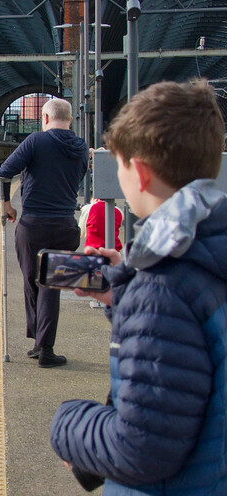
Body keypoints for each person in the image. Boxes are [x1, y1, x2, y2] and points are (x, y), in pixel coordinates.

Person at [50, 80, 227, 493]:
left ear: (140, 173)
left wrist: (68, 424)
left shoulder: (162, 290)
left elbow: (142, 450)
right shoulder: (204, 253)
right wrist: (128, 294)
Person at [0, 98, 88, 368]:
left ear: (45, 119)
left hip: (32, 225)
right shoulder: (81, 148)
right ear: (70, 120)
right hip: (64, 225)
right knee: (52, 285)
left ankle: (42, 344)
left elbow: (3, 174)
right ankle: (43, 345)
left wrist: (8, 206)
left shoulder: (36, 141)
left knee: (31, 280)